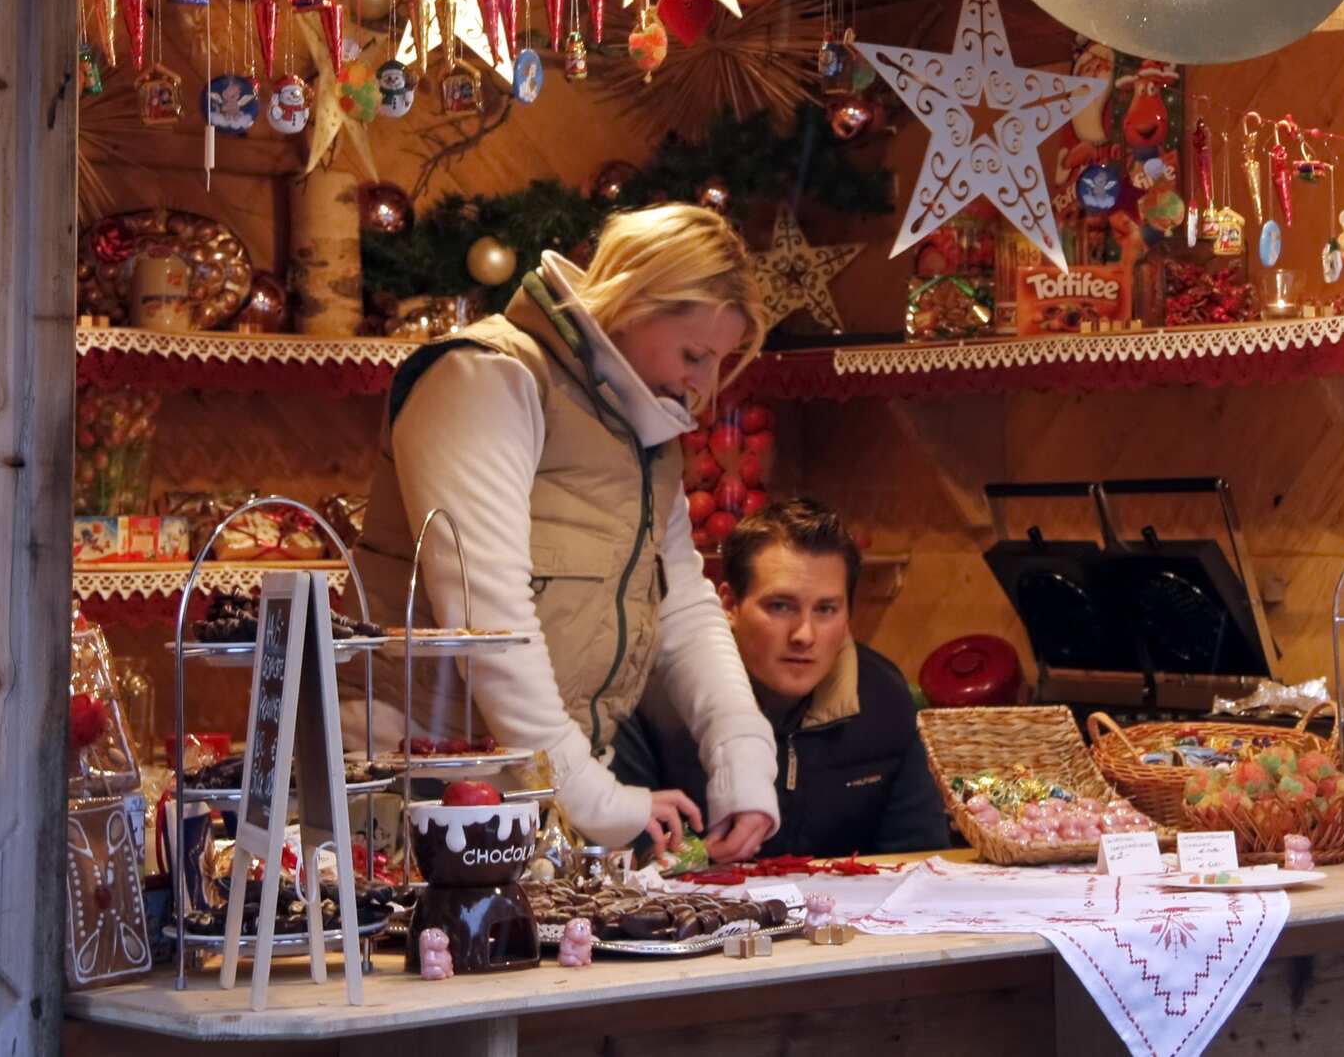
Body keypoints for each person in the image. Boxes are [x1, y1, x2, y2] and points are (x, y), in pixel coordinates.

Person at [344, 203, 780, 863]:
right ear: (632, 302)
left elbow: (684, 606)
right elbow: (486, 615)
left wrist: (743, 760)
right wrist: (592, 797)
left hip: (530, 801)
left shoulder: (646, 427)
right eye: (695, 353)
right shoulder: (486, 375)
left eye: (718, 360)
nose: (706, 385)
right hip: (409, 798)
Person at [614, 498, 951, 858]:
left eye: (825, 609)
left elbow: (919, 859)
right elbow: (621, 860)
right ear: (728, 604)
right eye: (780, 606)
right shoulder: (648, 700)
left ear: (849, 615)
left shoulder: (884, 696)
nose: (804, 634)